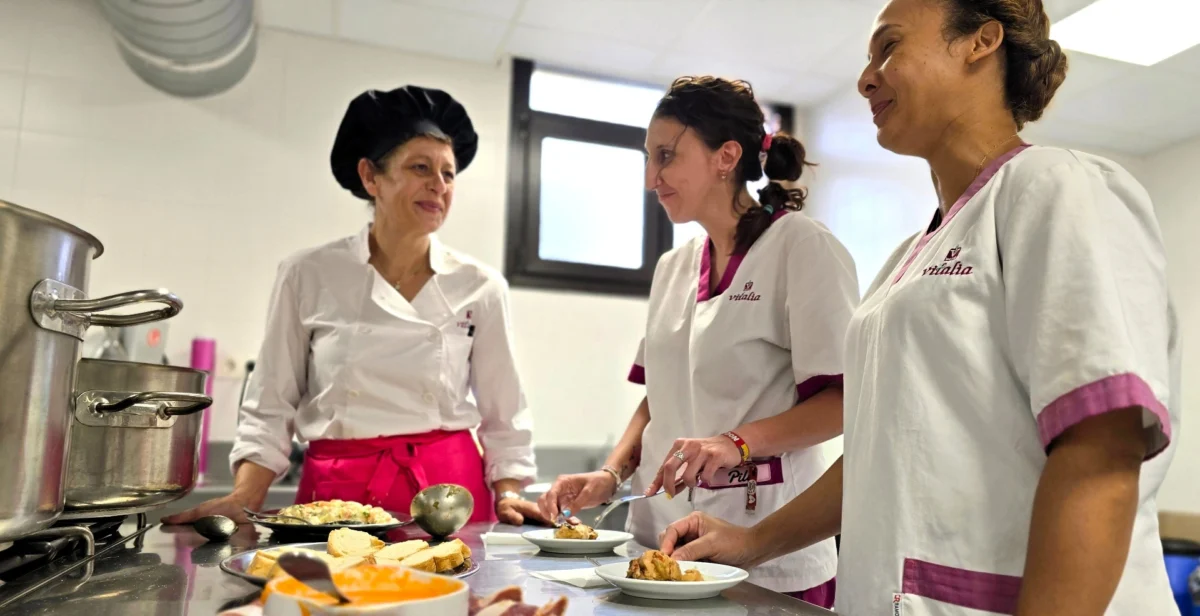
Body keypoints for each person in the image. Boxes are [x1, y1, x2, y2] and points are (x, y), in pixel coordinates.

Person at [657, 1, 1181, 614]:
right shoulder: (912, 257)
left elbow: (1101, 453)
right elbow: (884, 455)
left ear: (980, 42)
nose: (866, 77)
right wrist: (753, 542)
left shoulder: (1055, 188)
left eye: (889, 48)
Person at [538, 76, 859, 607]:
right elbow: (657, 398)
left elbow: (847, 403)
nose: (651, 178)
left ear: (726, 156)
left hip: (765, 550)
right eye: (648, 158)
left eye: (665, 156)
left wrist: (735, 441)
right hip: (656, 543)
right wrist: (610, 473)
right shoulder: (673, 267)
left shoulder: (801, 249)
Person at [165, 86, 546, 527]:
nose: (438, 186)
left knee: (460, 596)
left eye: (449, 173)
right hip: (337, 496)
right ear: (371, 177)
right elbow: (271, 399)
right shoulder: (308, 273)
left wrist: (510, 491)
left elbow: (505, 409)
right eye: (420, 167)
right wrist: (246, 495)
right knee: (327, 596)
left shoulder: (479, 286)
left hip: (447, 500)